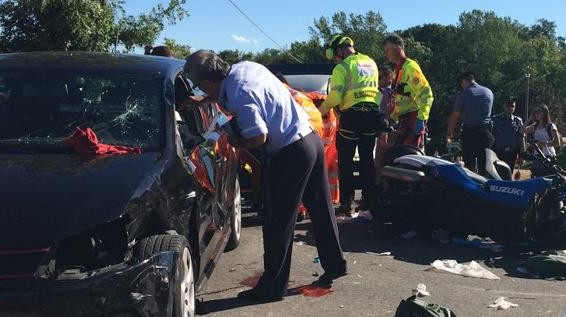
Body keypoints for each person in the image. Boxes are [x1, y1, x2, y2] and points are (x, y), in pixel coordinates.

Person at [182, 50, 346, 303]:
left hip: (290, 153)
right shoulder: (245, 68)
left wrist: (236, 141)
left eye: (201, 87)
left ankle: (272, 287)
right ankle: (335, 264)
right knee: (320, 206)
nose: (202, 92)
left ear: (206, 82)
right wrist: (202, 101)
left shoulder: (238, 96)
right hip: (308, 138)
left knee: (277, 221)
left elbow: (259, 137)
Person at [319, 35, 379, 216]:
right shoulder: (371, 62)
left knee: (345, 161)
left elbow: (336, 97)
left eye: (335, 57)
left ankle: (347, 204)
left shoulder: (342, 67)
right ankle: (368, 202)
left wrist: (320, 111)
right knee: (367, 161)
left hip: (351, 118)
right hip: (372, 116)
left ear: (339, 51)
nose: (335, 60)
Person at [384, 34, 433, 150]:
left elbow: (427, 93)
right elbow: (402, 96)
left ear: (398, 48)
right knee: (399, 159)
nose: (386, 54)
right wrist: (393, 117)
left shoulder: (410, 68)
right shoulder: (398, 70)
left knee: (409, 160)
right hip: (404, 122)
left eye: (388, 50)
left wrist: (421, 118)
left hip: (413, 120)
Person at [446, 71, 494, 173]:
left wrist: (449, 133)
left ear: (464, 81)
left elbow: (455, 116)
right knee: (485, 166)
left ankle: (471, 187)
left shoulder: (464, 94)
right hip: (485, 133)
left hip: (470, 134)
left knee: (469, 167)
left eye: (462, 83)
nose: (462, 85)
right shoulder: (488, 92)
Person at [492, 97, 525, 171]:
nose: (510, 108)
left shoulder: (518, 121)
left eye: (512, 106)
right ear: (503, 106)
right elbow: (491, 137)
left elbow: (522, 139)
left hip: (512, 154)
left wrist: (522, 156)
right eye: (508, 106)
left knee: (509, 176)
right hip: (498, 153)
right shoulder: (495, 119)